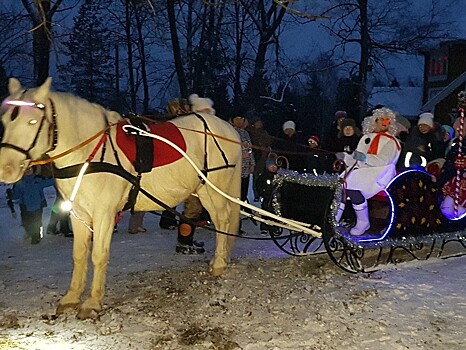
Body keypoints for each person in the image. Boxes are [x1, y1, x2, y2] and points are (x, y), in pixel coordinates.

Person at [336, 107, 401, 236]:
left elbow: (382, 161)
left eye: (386, 120)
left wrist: (360, 157)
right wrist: (345, 157)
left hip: (379, 172)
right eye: (380, 120)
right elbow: (357, 158)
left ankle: (363, 221)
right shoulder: (366, 137)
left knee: (352, 186)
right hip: (362, 171)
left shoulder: (391, 141)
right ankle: (334, 220)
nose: (383, 122)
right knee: (340, 187)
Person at [11, 167, 54, 244]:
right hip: (25, 206)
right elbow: (16, 194)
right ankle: (29, 232)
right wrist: (12, 194)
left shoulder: (38, 180)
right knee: (26, 222)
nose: (28, 171)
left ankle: (36, 236)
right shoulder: (20, 182)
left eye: (30, 169)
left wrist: (59, 178)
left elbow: (49, 182)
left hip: (37, 205)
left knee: (36, 221)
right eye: (26, 169)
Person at [246, 117, 272, 201]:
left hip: (263, 158)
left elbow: (269, 143)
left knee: (264, 176)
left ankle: (264, 193)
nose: (259, 124)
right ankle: (256, 194)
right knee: (255, 177)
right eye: (257, 122)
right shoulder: (250, 132)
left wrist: (267, 149)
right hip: (255, 156)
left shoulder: (264, 133)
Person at [230, 114, 255, 203]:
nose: (239, 121)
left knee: (244, 190)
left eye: (242, 119)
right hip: (235, 167)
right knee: (234, 190)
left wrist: (252, 164)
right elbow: (228, 149)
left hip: (245, 167)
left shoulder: (245, 133)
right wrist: (240, 155)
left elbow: (250, 149)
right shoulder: (230, 131)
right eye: (237, 118)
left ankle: (243, 205)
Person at [256, 154, 279, 235]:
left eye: (274, 166)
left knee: (275, 213)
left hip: (275, 199)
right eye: (271, 166)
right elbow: (258, 186)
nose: (273, 168)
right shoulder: (263, 176)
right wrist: (262, 194)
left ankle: (274, 227)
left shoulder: (278, 177)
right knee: (265, 212)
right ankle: (264, 227)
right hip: (266, 197)